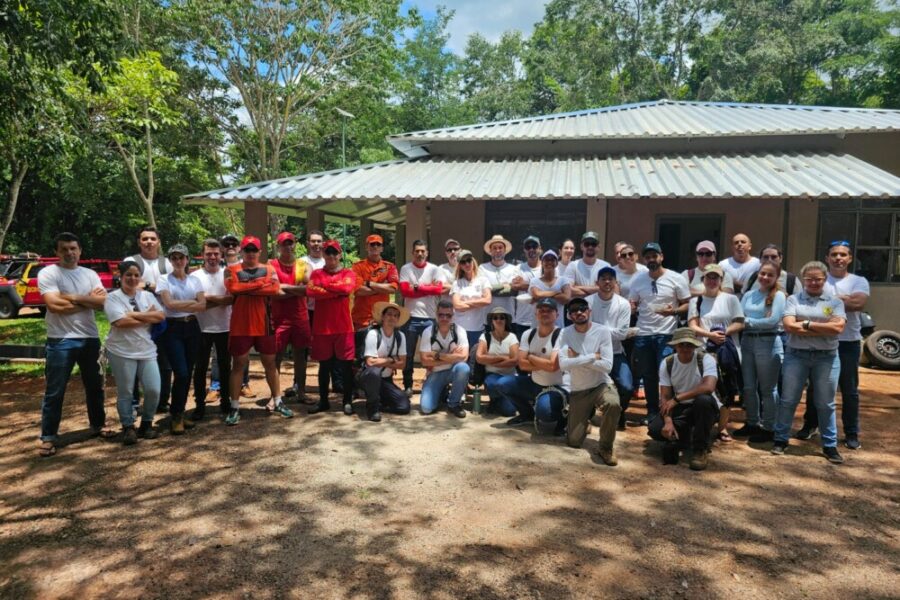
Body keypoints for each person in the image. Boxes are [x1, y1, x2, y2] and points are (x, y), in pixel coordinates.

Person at [37, 232, 110, 457]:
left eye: (73, 248)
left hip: (89, 338)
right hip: (60, 339)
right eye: (64, 249)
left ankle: (98, 424)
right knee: (55, 390)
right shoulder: (48, 273)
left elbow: (102, 303)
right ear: (57, 252)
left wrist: (71, 297)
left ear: (80, 251)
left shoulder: (90, 274)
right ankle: (48, 437)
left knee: (95, 386)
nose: (69, 253)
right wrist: (87, 300)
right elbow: (54, 306)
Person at [772, 261, 846, 464]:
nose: (813, 282)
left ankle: (829, 445)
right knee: (789, 399)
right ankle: (781, 439)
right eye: (809, 279)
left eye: (818, 279)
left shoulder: (834, 302)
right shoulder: (794, 299)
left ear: (825, 279)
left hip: (827, 357)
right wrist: (823, 327)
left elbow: (838, 328)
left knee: (825, 403)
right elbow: (789, 326)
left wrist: (805, 323)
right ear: (803, 280)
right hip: (797, 355)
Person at [797, 242, 869, 449]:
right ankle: (810, 425)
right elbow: (808, 306)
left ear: (850, 258)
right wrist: (840, 301)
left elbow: (858, 304)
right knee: (815, 387)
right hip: (822, 341)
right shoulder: (820, 279)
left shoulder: (858, 281)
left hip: (848, 343)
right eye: (834, 254)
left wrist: (828, 303)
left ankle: (851, 432)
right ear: (827, 258)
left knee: (849, 390)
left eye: (843, 255)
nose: (838, 258)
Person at [224, 235, 290, 425]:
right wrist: (261, 284)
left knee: (270, 363)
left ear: (260, 252)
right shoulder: (231, 269)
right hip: (240, 325)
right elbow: (233, 288)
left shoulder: (268, 268)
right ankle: (234, 406)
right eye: (247, 249)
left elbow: (274, 289)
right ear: (241, 251)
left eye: (254, 250)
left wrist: (246, 288)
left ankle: (278, 401)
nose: (251, 253)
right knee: (238, 364)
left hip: (264, 324)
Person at [628, 242, 691, 425]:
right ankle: (652, 412)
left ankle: (668, 411)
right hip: (643, 333)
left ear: (661, 257)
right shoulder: (638, 280)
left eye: (654, 256)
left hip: (666, 333)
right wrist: (632, 307)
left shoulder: (676, 278)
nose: (651, 260)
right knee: (648, 375)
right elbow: (633, 303)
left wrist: (673, 311)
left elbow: (688, 304)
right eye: (648, 257)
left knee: (666, 374)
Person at [104, 260, 166, 444]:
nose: (133, 278)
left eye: (136, 275)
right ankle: (128, 426)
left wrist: (132, 314)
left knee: (153, 389)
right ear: (120, 276)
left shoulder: (147, 296)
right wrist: (148, 317)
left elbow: (160, 316)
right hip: (121, 350)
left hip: (146, 349)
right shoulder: (112, 298)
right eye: (128, 275)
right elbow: (120, 322)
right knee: (126, 391)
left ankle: (147, 423)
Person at [558, 298, 621, 466]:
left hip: (601, 384)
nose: (579, 312)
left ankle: (606, 447)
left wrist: (577, 358)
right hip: (579, 389)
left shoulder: (602, 331)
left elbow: (607, 366)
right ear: (569, 316)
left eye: (582, 308)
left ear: (589, 311)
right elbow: (563, 364)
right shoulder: (565, 333)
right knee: (573, 441)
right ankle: (587, 419)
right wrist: (593, 356)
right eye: (574, 310)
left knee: (613, 403)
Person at [648, 328, 722, 471]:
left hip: (703, 407)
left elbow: (708, 387)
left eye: (689, 345)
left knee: (703, 400)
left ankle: (700, 449)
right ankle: (683, 437)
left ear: (695, 346)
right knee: (655, 430)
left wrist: (677, 398)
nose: (685, 348)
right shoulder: (667, 363)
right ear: (675, 346)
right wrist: (668, 422)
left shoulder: (706, 359)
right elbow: (665, 396)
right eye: (681, 344)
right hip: (680, 407)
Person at [687, 264, 745, 440]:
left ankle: (722, 428)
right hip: (703, 351)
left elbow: (740, 322)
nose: (712, 281)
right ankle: (702, 423)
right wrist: (710, 335)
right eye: (709, 277)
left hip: (726, 351)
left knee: (726, 389)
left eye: (716, 278)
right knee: (702, 388)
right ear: (703, 279)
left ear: (721, 280)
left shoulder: (731, 299)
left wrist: (723, 333)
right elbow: (692, 325)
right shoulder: (696, 301)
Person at [156, 244, 206, 434]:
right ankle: (176, 415)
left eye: (181, 257)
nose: (178, 261)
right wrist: (192, 303)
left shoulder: (195, 280)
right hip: (173, 328)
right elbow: (168, 304)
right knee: (181, 373)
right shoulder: (164, 279)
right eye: (174, 258)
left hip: (192, 327)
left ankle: (181, 413)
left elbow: (202, 305)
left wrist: (183, 305)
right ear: (170, 260)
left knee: (188, 371)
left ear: (187, 259)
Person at [735, 261, 786, 442]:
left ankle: (769, 427)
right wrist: (753, 321)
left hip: (768, 342)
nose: (765, 277)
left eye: (770, 275)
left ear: (776, 277)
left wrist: (748, 321)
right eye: (762, 273)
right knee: (748, 387)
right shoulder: (749, 295)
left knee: (767, 389)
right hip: (747, 343)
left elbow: (772, 321)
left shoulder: (779, 296)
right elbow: (738, 317)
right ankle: (752, 423)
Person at [125, 225, 173, 413]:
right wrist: (155, 287)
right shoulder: (131, 261)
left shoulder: (167, 263)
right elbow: (127, 285)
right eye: (145, 239)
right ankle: (134, 403)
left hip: (163, 321)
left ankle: (162, 402)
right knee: (135, 363)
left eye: (153, 238)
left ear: (158, 242)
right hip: (138, 321)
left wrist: (145, 285)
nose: (149, 242)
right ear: (139, 242)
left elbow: (173, 288)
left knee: (165, 364)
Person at [497, 298, 565, 430]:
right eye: (541, 310)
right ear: (536, 314)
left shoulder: (562, 335)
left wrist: (531, 357)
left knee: (545, 413)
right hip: (534, 383)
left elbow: (553, 366)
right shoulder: (528, 334)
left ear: (557, 314)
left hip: (556, 387)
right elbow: (522, 365)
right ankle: (527, 414)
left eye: (549, 310)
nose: (545, 313)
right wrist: (546, 364)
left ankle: (565, 418)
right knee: (502, 383)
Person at [306, 239, 357, 415]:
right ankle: (323, 401)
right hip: (322, 327)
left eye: (334, 252)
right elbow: (311, 291)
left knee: (346, 367)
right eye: (328, 252)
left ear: (340, 254)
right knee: (324, 366)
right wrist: (336, 291)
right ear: (323, 254)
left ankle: (347, 401)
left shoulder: (348, 273)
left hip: (344, 327)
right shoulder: (316, 273)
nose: (331, 256)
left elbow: (347, 288)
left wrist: (324, 287)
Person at [190, 239, 233, 420]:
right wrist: (219, 300)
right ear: (203, 255)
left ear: (221, 255)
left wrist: (207, 298)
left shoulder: (228, 273)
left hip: (225, 327)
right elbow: (195, 302)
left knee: (225, 367)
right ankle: (199, 405)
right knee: (200, 368)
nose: (212, 257)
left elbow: (231, 299)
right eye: (209, 254)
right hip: (201, 328)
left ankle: (226, 402)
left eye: (216, 254)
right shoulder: (194, 276)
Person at [398, 240, 446, 396]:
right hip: (410, 317)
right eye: (417, 251)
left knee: (431, 354)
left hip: (429, 318)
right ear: (412, 252)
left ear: (427, 253)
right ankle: (408, 385)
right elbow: (405, 292)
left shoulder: (434, 269)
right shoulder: (406, 268)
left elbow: (438, 290)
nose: (420, 254)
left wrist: (417, 287)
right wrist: (428, 288)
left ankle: (431, 384)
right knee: (408, 354)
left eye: (422, 251)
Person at [591, 266, 636, 430]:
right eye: (603, 279)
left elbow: (622, 334)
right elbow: (584, 331)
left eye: (610, 279)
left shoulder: (623, 304)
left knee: (627, 387)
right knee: (586, 386)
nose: (607, 282)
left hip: (615, 353)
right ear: (597, 282)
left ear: (616, 282)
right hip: (593, 354)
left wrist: (597, 330)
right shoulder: (588, 302)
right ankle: (587, 414)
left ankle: (617, 412)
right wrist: (611, 332)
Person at [269, 231, 311, 401]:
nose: (287, 247)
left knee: (300, 355)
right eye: (284, 244)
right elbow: (273, 293)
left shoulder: (303, 265)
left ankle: (301, 392)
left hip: (300, 317)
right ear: (278, 246)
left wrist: (285, 287)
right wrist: (297, 289)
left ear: (295, 244)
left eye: (290, 243)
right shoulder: (271, 265)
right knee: (276, 356)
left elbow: (309, 289)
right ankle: (275, 395)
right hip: (278, 318)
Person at [359, 302, 411, 421]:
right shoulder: (373, 334)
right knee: (374, 372)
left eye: (395, 315)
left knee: (404, 406)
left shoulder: (400, 336)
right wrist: (391, 359)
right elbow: (370, 362)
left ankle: (380, 402)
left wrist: (382, 361)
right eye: (389, 314)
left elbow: (402, 364)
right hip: (368, 377)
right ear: (382, 317)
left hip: (386, 380)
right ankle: (372, 409)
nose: (392, 318)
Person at [217, 233, 254, 399]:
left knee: (243, 354)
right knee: (218, 354)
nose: (230, 247)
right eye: (227, 244)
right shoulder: (216, 267)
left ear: (239, 248)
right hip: (219, 318)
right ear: (222, 248)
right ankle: (216, 385)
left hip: (242, 316)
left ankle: (244, 383)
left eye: (234, 244)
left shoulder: (246, 267)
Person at [418, 300, 469, 418]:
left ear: (453, 316)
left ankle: (454, 404)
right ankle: (441, 393)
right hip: (435, 373)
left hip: (453, 371)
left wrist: (436, 355)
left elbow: (464, 357)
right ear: (436, 314)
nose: (444, 318)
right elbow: (424, 361)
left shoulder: (459, 331)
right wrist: (452, 356)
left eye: (448, 315)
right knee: (426, 409)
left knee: (463, 368)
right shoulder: (428, 332)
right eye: (441, 315)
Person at [351, 234, 399, 352]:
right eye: (372, 244)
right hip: (361, 319)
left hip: (382, 319)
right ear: (367, 247)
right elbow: (358, 291)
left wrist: (369, 284)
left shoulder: (389, 267)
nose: (375, 247)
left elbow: (393, 288)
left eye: (378, 244)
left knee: (381, 354)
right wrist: (382, 286)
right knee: (360, 355)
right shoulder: (358, 266)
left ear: (382, 248)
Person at [475, 307, 519, 417]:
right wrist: (502, 357)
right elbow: (479, 358)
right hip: (492, 375)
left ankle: (497, 402)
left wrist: (491, 361)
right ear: (492, 321)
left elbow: (515, 360)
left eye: (502, 317)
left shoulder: (512, 337)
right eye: (495, 318)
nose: (498, 320)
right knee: (492, 384)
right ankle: (496, 400)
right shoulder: (485, 336)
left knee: (510, 411)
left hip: (509, 376)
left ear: (506, 320)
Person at [450, 249, 492, 349]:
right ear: (460, 265)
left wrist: (466, 302)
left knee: (475, 357)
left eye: (469, 260)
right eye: (463, 262)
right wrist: (479, 303)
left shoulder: (483, 280)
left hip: (478, 329)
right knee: (461, 357)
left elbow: (487, 300)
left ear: (473, 261)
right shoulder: (457, 283)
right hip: (460, 329)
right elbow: (457, 306)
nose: (467, 264)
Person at [528, 249, 572, 326]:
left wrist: (542, 295)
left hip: (557, 326)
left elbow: (566, 298)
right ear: (542, 263)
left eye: (552, 260)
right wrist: (557, 292)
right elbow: (537, 294)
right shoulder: (534, 281)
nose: (549, 262)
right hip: (538, 326)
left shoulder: (563, 280)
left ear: (557, 263)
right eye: (546, 260)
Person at [511, 235, 543, 338]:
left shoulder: (547, 267)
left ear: (540, 249)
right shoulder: (518, 268)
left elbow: (550, 287)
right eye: (528, 247)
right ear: (524, 250)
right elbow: (515, 286)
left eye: (534, 246)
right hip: (522, 321)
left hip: (543, 320)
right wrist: (541, 287)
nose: (531, 249)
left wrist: (525, 284)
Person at [480, 234, 519, 317]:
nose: (498, 250)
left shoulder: (514, 269)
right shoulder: (482, 268)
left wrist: (490, 289)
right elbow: (482, 291)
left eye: (500, 247)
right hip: (487, 316)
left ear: (505, 250)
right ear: (490, 251)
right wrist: (504, 286)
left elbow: (513, 291)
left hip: (508, 316)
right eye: (494, 248)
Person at [564, 231, 610, 300]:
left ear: (598, 247)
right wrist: (597, 290)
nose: (590, 247)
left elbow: (607, 289)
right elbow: (567, 289)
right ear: (581, 246)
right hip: (578, 306)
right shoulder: (573, 266)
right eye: (587, 244)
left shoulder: (606, 266)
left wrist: (577, 287)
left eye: (593, 244)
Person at [438, 238, 460, 303]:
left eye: (455, 249)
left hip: (462, 306)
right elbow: (441, 288)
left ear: (460, 251)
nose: (452, 252)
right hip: (446, 307)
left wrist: (449, 287)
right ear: (446, 253)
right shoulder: (441, 268)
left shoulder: (465, 267)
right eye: (449, 250)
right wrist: (460, 287)